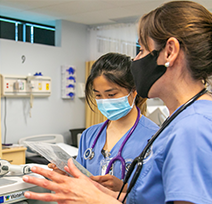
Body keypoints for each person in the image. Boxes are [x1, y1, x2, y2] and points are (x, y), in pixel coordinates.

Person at [22, 1, 212, 203]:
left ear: (169, 51)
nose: (136, 60)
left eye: (142, 49)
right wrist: (105, 191)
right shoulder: (185, 120)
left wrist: (97, 200)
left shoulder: (195, 128)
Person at [49, 53, 158, 192]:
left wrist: (125, 189)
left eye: (111, 95)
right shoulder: (89, 136)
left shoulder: (154, 137)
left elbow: (160, 193)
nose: (105, 101)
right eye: (98, 95)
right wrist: (66, 176)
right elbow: (81, 182)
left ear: (134, 90)